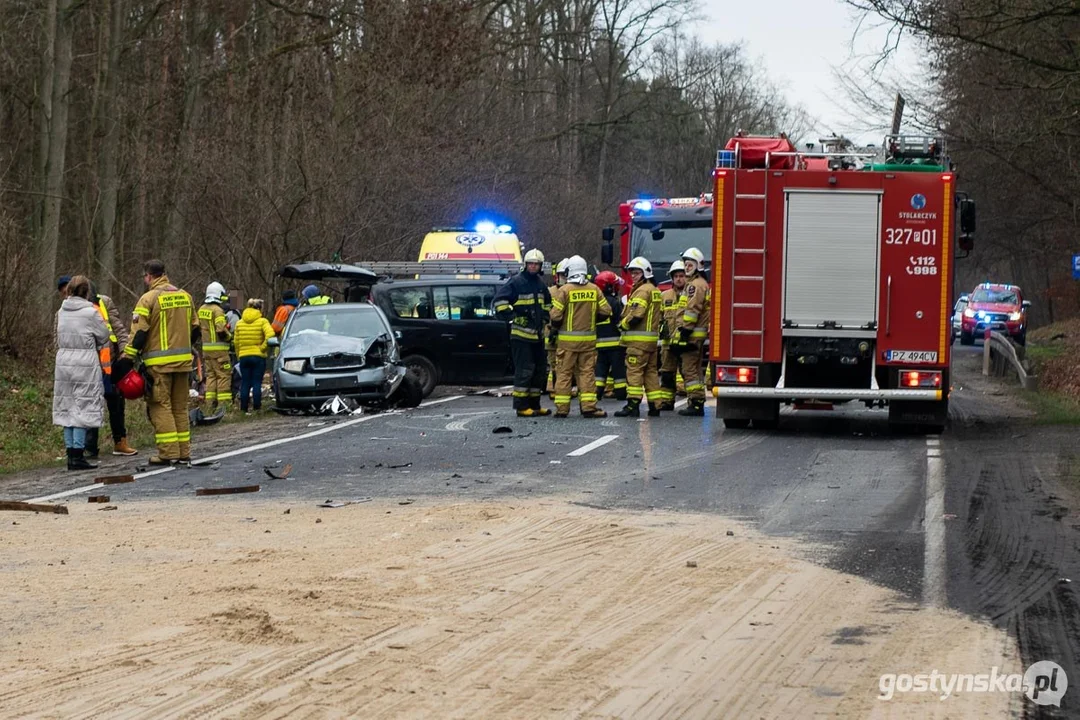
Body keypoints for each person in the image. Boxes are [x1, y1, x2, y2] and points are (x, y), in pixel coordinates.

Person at [111, 259, 199, 466]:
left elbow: (140, 332)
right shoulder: (185, 296)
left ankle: (168, 453)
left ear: (149, 276)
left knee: (161, 406)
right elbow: (195, 329)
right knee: (179, 407)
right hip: (184, 363)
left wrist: (128, 358)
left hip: (159, 365)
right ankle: (183, 451)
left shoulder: (148, 299)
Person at [53, 275, 110, 470]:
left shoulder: (61, 310)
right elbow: (104, 336)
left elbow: (56, 336)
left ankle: (70, 453)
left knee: (67, 406)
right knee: (82, 407)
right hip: (84, 361)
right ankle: (78, 453)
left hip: (63, 361)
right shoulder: (90, 312)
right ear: (86, 292)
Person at [549, 256, 611, 418]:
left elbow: (555, 316)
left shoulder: (564, 291)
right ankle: (589, 407)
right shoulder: (594, 289)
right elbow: (606, 311)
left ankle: (562, 409)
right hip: (588, 343)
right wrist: (592, 320)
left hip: (567, 343)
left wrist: (557, 327)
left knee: (564, 374)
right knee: (587, 374)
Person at [494, 248, 552, 417]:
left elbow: (548, 305)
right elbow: (499, 302)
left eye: (536, 264)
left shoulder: (540, 285)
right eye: (531, 264)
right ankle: (521, 406)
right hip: (521, 336)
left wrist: (545, 318)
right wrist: (513, 317)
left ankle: (534, 405)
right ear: (525, 265)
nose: (533, 267)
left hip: (538, 336)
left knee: (539, 370)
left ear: (540, 266)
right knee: (524, 370)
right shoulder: (516, 282)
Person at [85, 281, 137, 457]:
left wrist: (125, 352)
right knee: (91, 406)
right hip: (89, 366)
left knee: (116, 403)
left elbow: (119, 329)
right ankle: (90, 448)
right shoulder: (74, 309)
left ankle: (120, 442)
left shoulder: (104, 303)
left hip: (111, 363)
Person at [615, 257, 663, 417]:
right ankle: (655, 405)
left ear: (645, 273)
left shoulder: (642, 291)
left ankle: (633, 405)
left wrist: (623, 325)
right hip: (651, 342)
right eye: (632, 273)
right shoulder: (655, 290)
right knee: (651, 373)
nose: (633, 276)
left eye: (636, 273)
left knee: (634, 372)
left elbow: (637, 314)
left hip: (638, 343)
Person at [676, 247, 710, 416]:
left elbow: (692, 310)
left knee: (689, 368)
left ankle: (696, 403)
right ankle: (696, 401)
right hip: (695, 333)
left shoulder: (695, 286)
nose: (687, 268)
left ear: (697, 266)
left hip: (692, 334)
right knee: (694, 369)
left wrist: (685, 331)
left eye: (689, 265)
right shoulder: (698, 284)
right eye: (686, 265)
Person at [233, 298, 276, 414]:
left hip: (244, 356)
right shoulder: (262, 321)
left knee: (245, 382)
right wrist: (262, 348)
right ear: (259, 308)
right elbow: (271, 334)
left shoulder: (239, 323)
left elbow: (236, 342)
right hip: (258, 356)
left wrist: (239, 355)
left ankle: (243, 408)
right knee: (257, 382)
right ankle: (257, 407)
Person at [198, 281, 233, 412]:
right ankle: (224, 407)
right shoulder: (218, 310)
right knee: (223, 376)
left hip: (206, 351)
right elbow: (220, 330)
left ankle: (209, 406)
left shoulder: (202, 309)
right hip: (220, 352)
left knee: (211, 377)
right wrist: (230, 337)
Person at [658, 261, 688, 411]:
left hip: (686, 343)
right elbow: (659, 317)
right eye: (676, 276)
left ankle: (694, 400)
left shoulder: (692, 294)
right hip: (668, 343)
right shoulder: (664, 296)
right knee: (667, 373)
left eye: (681, 276)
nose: (678, 279)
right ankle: (666, 401)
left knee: (688, 373)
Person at [593, 271, 627, 403]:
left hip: (599, 344)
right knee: (618, 371)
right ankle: (620, 393)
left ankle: (597, 393)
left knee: (600, 370)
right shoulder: (614, 302)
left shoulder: (597, 301)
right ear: (608, 286)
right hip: (615, 345)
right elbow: (620, 322)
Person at [546, 258, 570, 395]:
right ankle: (553, 389)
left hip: (568, 335)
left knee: (567, 365)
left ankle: (563, 388)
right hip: (551, 334)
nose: (564, 279)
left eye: (566, 276)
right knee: (554, 364)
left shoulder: (572, 291)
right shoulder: (550, 292)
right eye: (562, 275)